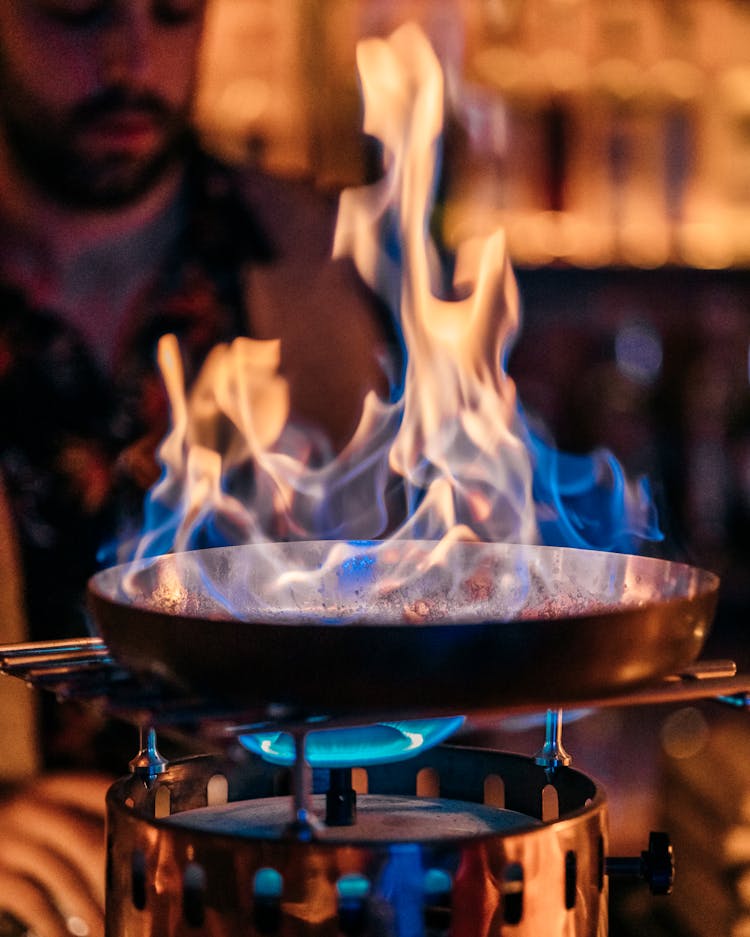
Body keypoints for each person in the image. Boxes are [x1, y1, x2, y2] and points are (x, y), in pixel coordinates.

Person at [0, 1, 395, 933]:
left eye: (174, 11)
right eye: (76, 8)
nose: (132, 55)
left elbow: (421, 625)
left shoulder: (315, 267)